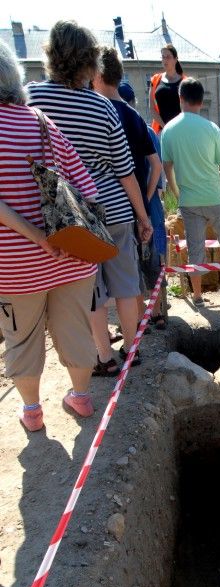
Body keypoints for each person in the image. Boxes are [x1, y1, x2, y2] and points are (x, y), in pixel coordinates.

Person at [26, 20, 153, 376]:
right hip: (112, 207)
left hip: (70, 215)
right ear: (89, 62)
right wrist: (142, 217)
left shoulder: (34, 98)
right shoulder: (103, 107)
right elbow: (125, 170)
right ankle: (132, 351)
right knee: (127, 283)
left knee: (91, 289)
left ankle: (104, 358)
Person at [0, 41, 98, 431]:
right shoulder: (43, 122)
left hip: (15, 265)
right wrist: (56, 235)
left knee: (21, 338)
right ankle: (82, 398)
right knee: (75, 328)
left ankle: (32, 412)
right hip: (72, 258)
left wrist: (36, 238)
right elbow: (87, 190)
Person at [93, 48, 163, 333]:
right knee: (128, 277)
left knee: (98, 283)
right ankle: (135, 330)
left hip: (96, 209)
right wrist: (143, 203)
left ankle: (108, 347)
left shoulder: (96, 111)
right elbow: (155, 166)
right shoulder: (135, 118)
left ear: (96, 74)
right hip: (129, 208)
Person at [161, 78, 220, 308]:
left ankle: (197, 297)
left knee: (195, 249)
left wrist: (178, 195)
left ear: (181, 98)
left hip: (189, 200)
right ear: (200, 100)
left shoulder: (169, 130)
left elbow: (168, 167)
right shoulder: (211, 128)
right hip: (215, 197)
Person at [118, 80, 167, 329]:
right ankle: (157, 312)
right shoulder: (145, 129)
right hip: (151, 206)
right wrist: (146, 199)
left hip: (124, 207)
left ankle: (140, 317)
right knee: (155, 260)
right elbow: (157, 172)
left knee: (132, 263)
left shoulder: (112, 124)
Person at [150, 44, 184, 134]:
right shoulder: (155, 79)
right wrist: (166, 128)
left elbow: (188, 109)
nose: (165, 60)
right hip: (161, 131)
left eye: (168, 57)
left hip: (180, 131)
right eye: (163, 57)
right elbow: (152, 108)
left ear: (175, 59)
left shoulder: (184, 81)